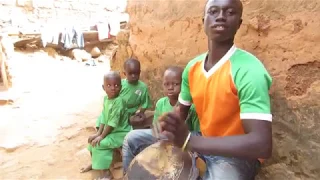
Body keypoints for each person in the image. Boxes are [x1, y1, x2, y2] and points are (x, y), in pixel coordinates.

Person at [159, 0, 273, 179]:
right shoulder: (192, 67)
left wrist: (190, 141)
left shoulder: (249, 70)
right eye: (214, 11)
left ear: (239, 23)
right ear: (204, 21)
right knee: (134, 140)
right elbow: (180, 112)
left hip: (239, 155)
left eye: (229, 12)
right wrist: (168, 128)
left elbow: (262, 144)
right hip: (202, 139)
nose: (220, 16)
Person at [122, 66, 200, 173]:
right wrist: (159, 127)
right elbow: (155, 129)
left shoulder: (192, 108)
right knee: (130, 137)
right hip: (162, 139)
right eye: (166, 84)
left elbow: (196, 134)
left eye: (176, 84)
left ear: (184, 85)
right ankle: (127, 174)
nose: (170, 87)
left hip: (183, 143)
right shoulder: (160, 103)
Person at [80, 71, 131, 179]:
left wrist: (102, 136)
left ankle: (106, 174)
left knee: (99, 143)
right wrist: (98, 133)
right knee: (91, 142)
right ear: (104, 87)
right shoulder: (106, 99)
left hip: (121, 133)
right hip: (111, 131)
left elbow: (112, 123)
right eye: (109, 85)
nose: (113, 88)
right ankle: (95, 164)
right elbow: (104, 117)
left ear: (121, 87)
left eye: (116, 85)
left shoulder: (119, 102)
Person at [120, 58, 152, 127]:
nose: (133, 76)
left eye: (136, 73)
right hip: (118, 112)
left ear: (139, 72)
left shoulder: (143, 87)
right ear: (125, 73)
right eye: (130, 73)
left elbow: (145, 103)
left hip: (131, 114)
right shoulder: (120, 84)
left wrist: (141, 113)